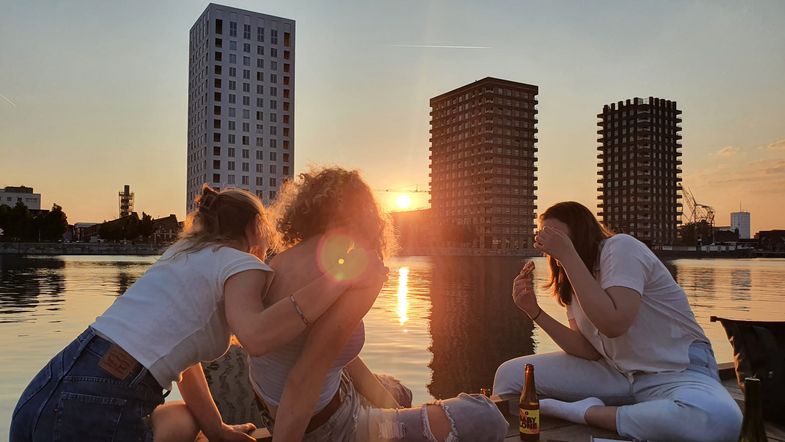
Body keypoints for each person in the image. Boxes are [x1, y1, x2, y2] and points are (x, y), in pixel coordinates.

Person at [10, 185, 377, 442]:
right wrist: (338, 277)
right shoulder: (242, 264)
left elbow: (186, 365)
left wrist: (216, 430)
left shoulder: (180, 256)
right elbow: (257, 337)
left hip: (46, 391)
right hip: (98, 405)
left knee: (188, 418)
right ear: (253, 229)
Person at [249, 167, 509, 442]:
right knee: (485, 414)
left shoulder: (276, 262)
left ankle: (398, 412)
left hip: (293, 411)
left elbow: (331, 351)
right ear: (365, 216)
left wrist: (396, 411)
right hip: (334, 428)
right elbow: (304, 376)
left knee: (399, 391)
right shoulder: (359, 271)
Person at [493, 201, 743, 442]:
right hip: (617, 373)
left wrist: (569, 257)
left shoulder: (621, 248)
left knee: (721, 420)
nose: (548, 244)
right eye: (544, 236)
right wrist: (534, 311)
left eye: (556, 236)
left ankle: (583, 412)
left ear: (580, 232)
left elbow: (614, 324)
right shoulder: (572, 278)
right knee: (510, 375)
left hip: (676, 371)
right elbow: (587, 351)